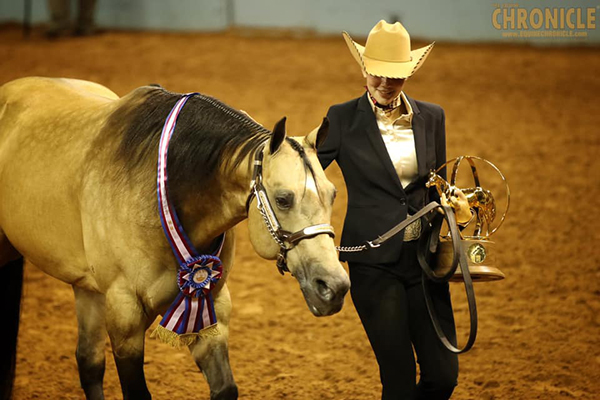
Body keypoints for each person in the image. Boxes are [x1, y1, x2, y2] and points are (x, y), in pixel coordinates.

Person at [317, 20, 472, 400]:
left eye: (396, 77)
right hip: (374, 265)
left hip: (424, 263)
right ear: (364, 68)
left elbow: (437, 181)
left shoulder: (432, 117)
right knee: (398, 380)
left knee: (442, 376)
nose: (386, 83)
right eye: (379, 74)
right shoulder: (341, 118)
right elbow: (305, 173)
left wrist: (457, 204)